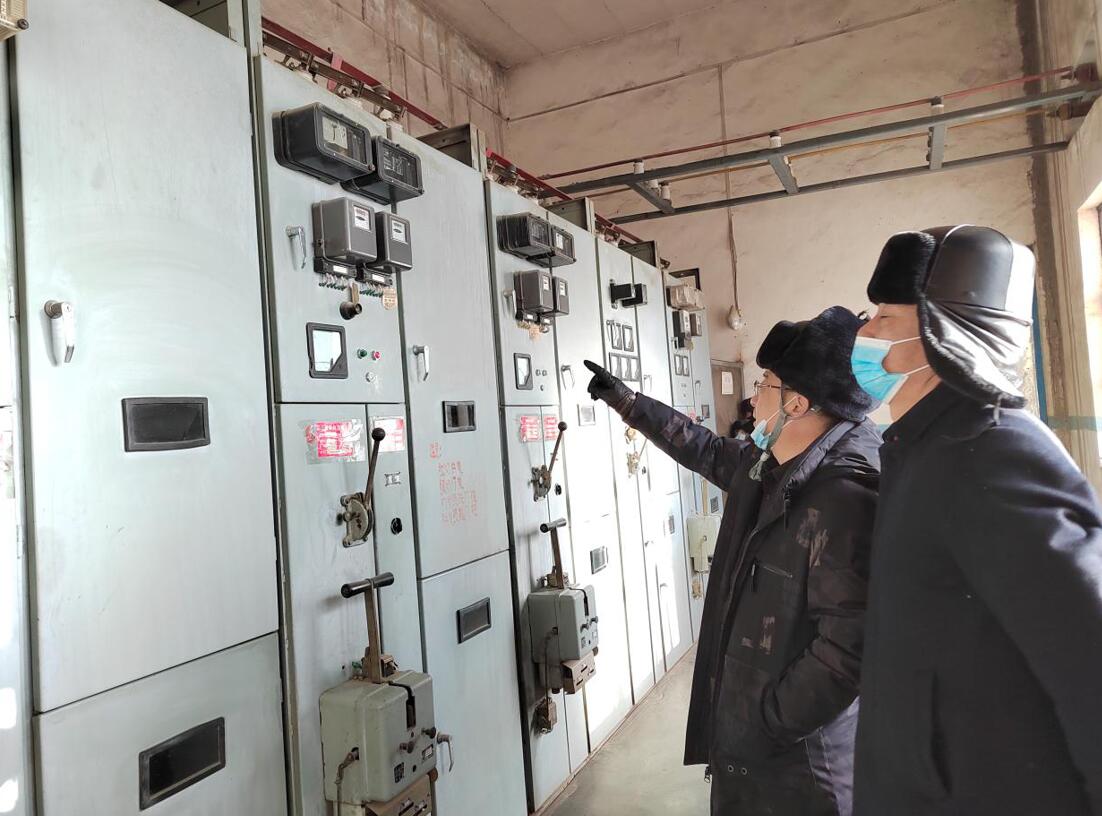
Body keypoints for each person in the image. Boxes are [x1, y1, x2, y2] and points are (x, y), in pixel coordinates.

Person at [585, 306, 881, 816]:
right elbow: (702, 448)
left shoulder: (842, 495)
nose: (754, 397)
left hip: (800, 768)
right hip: (753, 753)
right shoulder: (771, 465)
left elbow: (849, 651)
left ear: (796, 403)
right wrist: (628, 402)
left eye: (765, 385)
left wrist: (767, 721)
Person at [849, 225, 1102, 816]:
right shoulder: (919, 447)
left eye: (884, 317)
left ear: (943, 332)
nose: (863, 334)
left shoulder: (991, 451)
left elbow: (1089, 653)